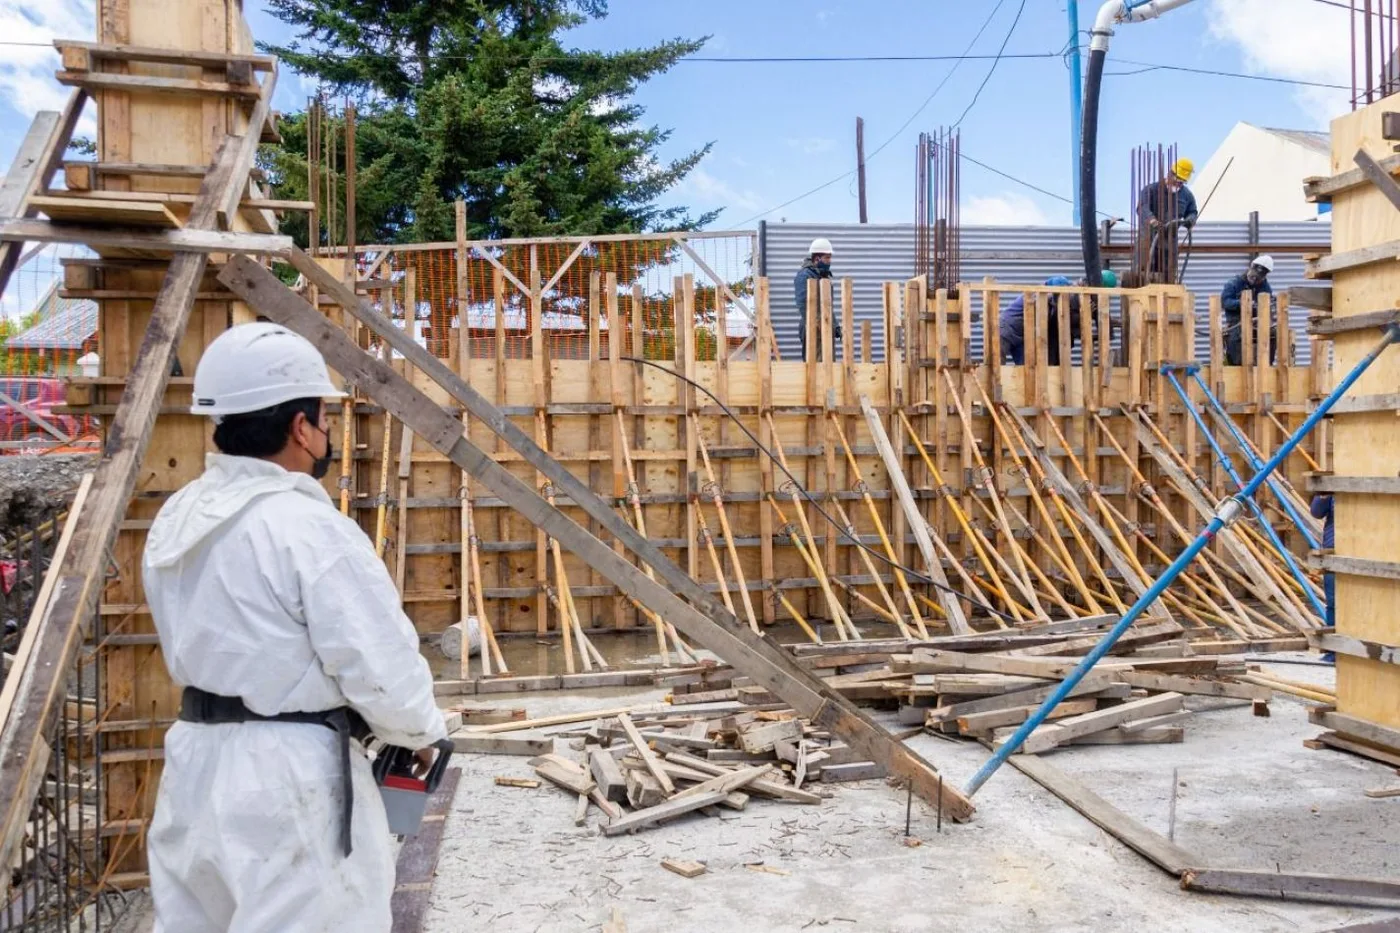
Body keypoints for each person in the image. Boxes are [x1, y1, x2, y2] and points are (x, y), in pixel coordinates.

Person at [143, 322, 447, 932]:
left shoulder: (178, 516)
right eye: (323, 420)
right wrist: (419, 732)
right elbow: (377, 661)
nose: (327, 432)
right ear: (300, 429)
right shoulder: (304, 525)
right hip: (289, 780)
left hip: (193, 765)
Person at [999, 270, 1117, 366]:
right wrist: (1082, 314)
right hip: (1007, 329)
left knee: (1027, 367)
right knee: (997, 364)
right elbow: (1059, 317)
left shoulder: (1053, 299)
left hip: (1023, 336)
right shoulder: (1039, 296)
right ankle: (993, 393)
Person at [1137, 158, 1198, 282]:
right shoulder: (1151, 190)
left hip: (1169, 243)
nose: (1178, 185)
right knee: (1144, 275)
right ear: (1169, 174)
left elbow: (1192, 211)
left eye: (1181, 183)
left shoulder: (1186, 195)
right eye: (1176, 181)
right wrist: (1152, 220)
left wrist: (1190, 220)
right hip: (1148, 240)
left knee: (1167, 277)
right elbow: (1142, 208)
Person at [1221, 255, 1276, 366]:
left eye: (1258, 278)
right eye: (1254, 276)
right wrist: (1243, 303)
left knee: (1273, 334)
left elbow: (1269, 303)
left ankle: (1266, 365)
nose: (1255, 280)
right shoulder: (1234, 283)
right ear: (1250, 268)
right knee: (1238, 354)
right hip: (1236, 324)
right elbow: (1225, 302)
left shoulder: (1264, 286)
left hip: (1256, 323)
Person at [793, 237, 840, 360]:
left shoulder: (823, 276)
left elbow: (827, 306)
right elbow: (803, 304)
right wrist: (818, 324)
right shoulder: (805, 276)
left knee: (828, 364)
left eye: (830, 257)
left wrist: (835, 325)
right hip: (812, 328)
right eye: (827, 258)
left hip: (825, 325)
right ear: (817, 258)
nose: (830, 261)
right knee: (816, 366)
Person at [1310, 493, 1336, 661]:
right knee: (1334, 603)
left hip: (1363, 550)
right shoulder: (1333, 492)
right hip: (1334, 552)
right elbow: (1316, 512)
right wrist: (1323, 495)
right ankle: (1334, 650)